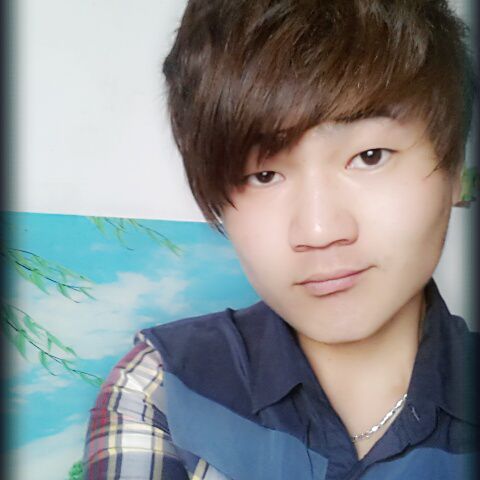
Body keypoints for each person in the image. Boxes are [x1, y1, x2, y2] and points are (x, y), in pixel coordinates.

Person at [83, 1, 479, 478]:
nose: (319, 231)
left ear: (453, 169)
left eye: (370, 155)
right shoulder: (162, 386)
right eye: (263, 174)